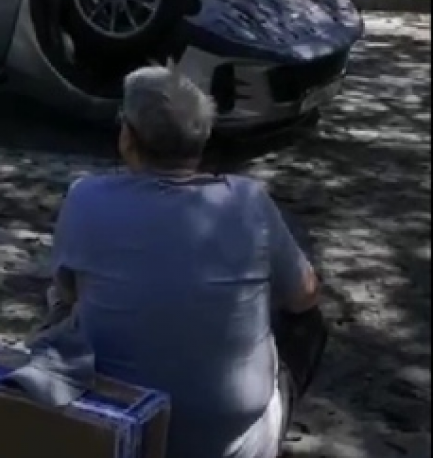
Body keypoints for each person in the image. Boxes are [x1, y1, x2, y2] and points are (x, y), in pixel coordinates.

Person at [48, 66, 324, 458]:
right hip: (232, 438)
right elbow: (304, 298)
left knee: (64, 309)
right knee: (303, 319)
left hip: (119, 426)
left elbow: (66, 294)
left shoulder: (86, 198)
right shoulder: (249, 201)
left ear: (128, 137)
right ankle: (273, 421)